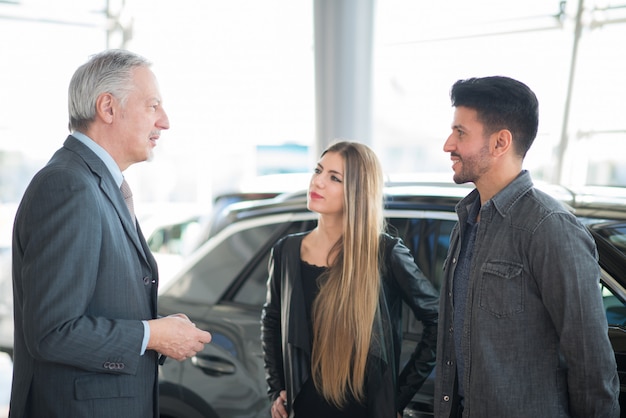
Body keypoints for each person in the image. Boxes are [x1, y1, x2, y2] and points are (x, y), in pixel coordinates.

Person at [9, 49, 212, 418]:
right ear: (107, 107)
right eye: (153, 106)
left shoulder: (91, 183)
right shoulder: (69, 186)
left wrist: (159, 330)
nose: (164, 122)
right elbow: (53, 332)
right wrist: (152, 335)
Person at [434, 76, 620, 417]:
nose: (448, 144)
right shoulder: (467, 220)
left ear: (500, 142)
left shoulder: (549, 227)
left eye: (460, 132)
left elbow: (592, 364)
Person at [261, 140, 439, 418]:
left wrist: (397, 396)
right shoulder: (286, 251)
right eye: (318, 171)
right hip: (304, 409)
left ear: (357, 191)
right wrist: (277, 389)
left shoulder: (385, 253)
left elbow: (437, 321)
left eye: (334, 178)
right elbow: (271, 321)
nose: (317, 182)